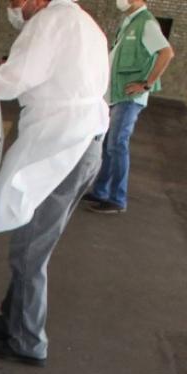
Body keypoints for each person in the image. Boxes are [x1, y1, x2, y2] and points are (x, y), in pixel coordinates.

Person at [0, 0, 109, 367]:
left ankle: (29, 340)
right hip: (79, 142)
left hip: (62, 148)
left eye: (17, 1)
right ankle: (11, 321)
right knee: (32, 240)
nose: (15, 8)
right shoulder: (79, 20)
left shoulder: (51, 21)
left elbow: (14, 80)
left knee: (30, 250)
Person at [84, 0, 175, 214]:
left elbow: (167, 53)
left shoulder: (146, 23)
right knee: (109, 144)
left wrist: (147, 84)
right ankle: (100, 191)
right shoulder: (130, 22)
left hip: (129, 97)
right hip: (117, 94)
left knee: (117, 144)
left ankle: (117, 199)